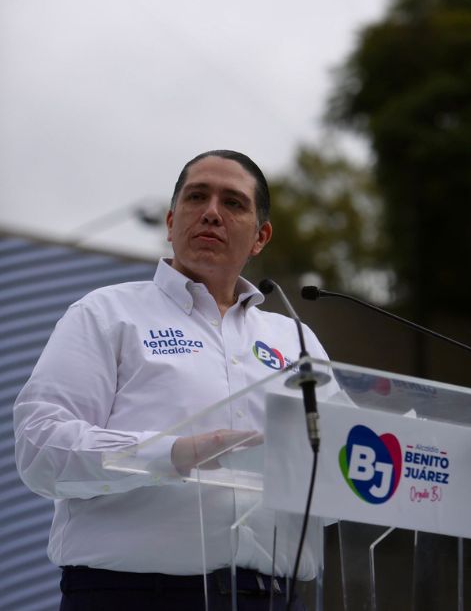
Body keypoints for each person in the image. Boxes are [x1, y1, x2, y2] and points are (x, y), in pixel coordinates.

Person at [13, 150, 330, 611]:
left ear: (260, 237)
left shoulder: (296, 339)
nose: (211, 213)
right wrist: (170, 455)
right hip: (130, 596)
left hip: (273, 598)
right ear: (170, 221)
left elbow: (341, 466)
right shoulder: (106, 313)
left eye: (233, 203)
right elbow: (40, 448)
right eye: (197, 197)